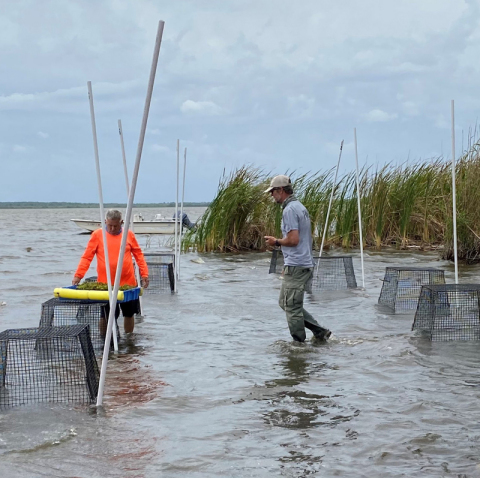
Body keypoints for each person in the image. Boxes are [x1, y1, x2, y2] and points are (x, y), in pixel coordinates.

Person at [264, 175, 331, 342]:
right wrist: (287, 262)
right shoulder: (299, 207)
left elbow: (293, 240)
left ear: (280, 190)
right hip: (298, 263)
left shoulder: (289, 210)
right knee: (285, 303)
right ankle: (319, 331)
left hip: (298, 265)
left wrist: (276, 242)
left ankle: (298, 347)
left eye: (272, 191)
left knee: (292, 307)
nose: (271, 195)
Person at [72, 209, 149, 334]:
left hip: (127, 284)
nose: (112, 229)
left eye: (116, 226)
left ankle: (129, 340)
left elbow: (139, 255)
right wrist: (78, 275)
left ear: (122, 223)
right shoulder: (97, 235)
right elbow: (87, 257)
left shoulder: (128, 235)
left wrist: (144, 274)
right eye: (110, 225)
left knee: (129, 314)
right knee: (106, 315)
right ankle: (105, 339)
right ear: (105, 222)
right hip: (105, 285)